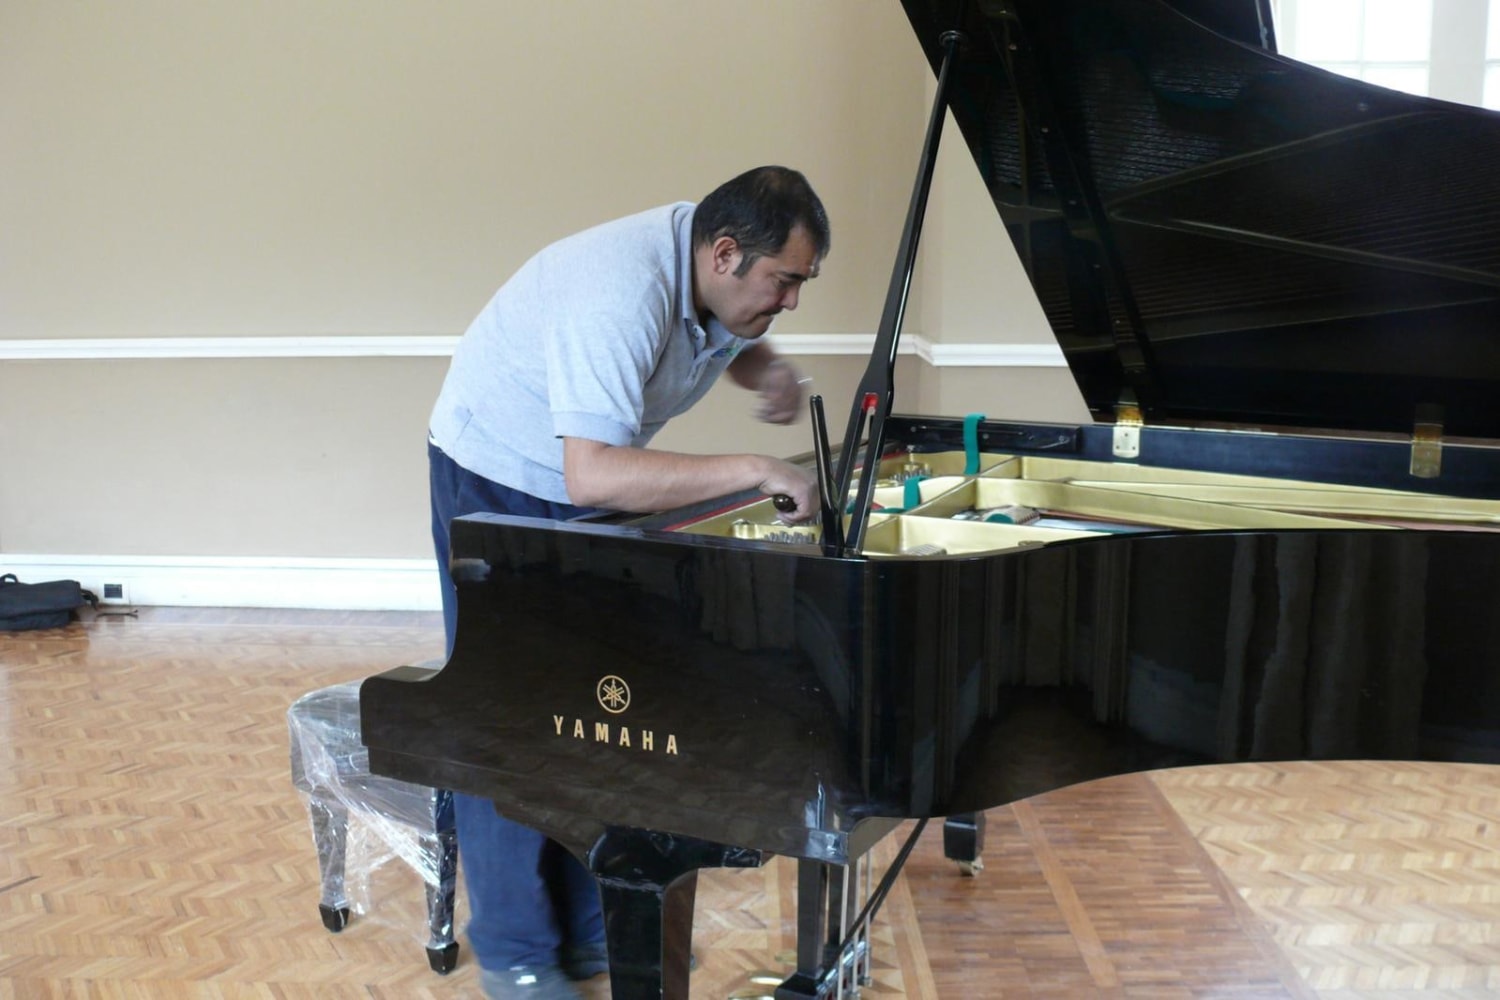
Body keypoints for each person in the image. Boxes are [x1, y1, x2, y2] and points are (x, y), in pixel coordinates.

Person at [425, 165, 829, 999]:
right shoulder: (616, 293)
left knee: (593, 707)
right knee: (505, 712)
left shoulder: (705, 267)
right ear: (725, 252)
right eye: (784, 281)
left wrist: (766, 371)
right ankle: (516, 952)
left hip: (571, 473)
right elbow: (595, 476)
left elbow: (722, 331)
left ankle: (587, 928)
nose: (790, 301)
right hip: (499, 476)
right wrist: (754, 469)